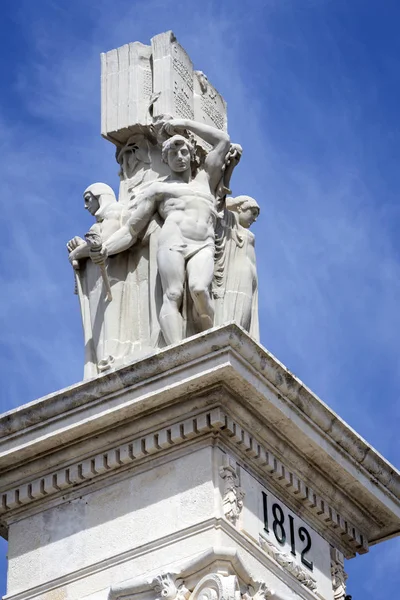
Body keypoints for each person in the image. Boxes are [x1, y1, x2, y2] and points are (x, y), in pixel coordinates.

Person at [93, 118, 231, 346]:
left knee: (199, 289)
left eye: (183, 151)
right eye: (173, 154)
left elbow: (223, 141)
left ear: (191, 155)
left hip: (203, 244)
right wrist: (106, 249)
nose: (179, 157)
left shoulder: (205, 180)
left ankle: (212, 344)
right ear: (164, 159)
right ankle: (177, 351)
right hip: (173, 241)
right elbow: (131, 231)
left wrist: (183, 123)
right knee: (173, 294)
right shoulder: (158, 189)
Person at [213, 195, 260, 339]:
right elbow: (218, 201)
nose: (255, 219)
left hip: (249, 276)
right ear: (241, 208)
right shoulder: (229, 224)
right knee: (235, 309)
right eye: (253, 213)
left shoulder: (241, 230)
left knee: (246, 311)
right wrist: (235, 203)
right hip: (237, 272)